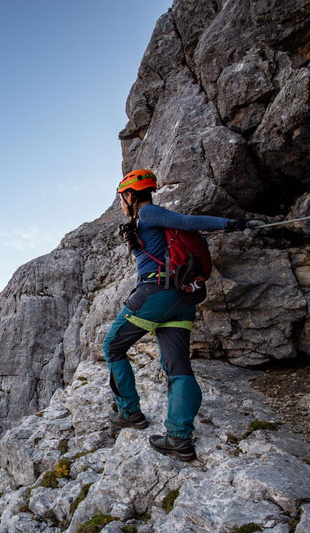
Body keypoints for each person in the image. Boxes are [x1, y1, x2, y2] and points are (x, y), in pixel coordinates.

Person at [102, 169, 261, 461]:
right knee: (177, 366)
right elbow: (183, 228)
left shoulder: (148, 213)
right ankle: (179, 438)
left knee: (112, 347)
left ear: (129, 195)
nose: (122, 204)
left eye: (122, 198)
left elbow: (187, 222)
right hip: (182, 299)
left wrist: (232, 224)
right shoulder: (143, 221)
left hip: (155, 293)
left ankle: (130, 413)